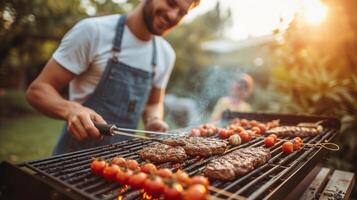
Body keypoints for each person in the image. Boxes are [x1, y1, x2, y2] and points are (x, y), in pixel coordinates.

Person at [26, 0, 200, 155]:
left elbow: (154, 103)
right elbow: (38, 90)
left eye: (182, 13)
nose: (172, 15)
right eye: (171, 3)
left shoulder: (165, 54)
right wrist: (71, 110)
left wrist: (154, 119)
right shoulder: (93, 31)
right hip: (72, 158)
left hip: (121, 164)